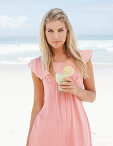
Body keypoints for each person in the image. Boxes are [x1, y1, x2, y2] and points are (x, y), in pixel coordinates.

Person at [26, 8, 96, 146]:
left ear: (67, 31)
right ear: (44, 33)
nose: (55, 36)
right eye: (50, 31)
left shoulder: (82, 59)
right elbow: (37, 105)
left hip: (76, 128)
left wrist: (76, 90)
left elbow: (92, 96)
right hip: (46, 129)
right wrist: (28, 141)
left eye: (60, 30)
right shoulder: (38, 65)